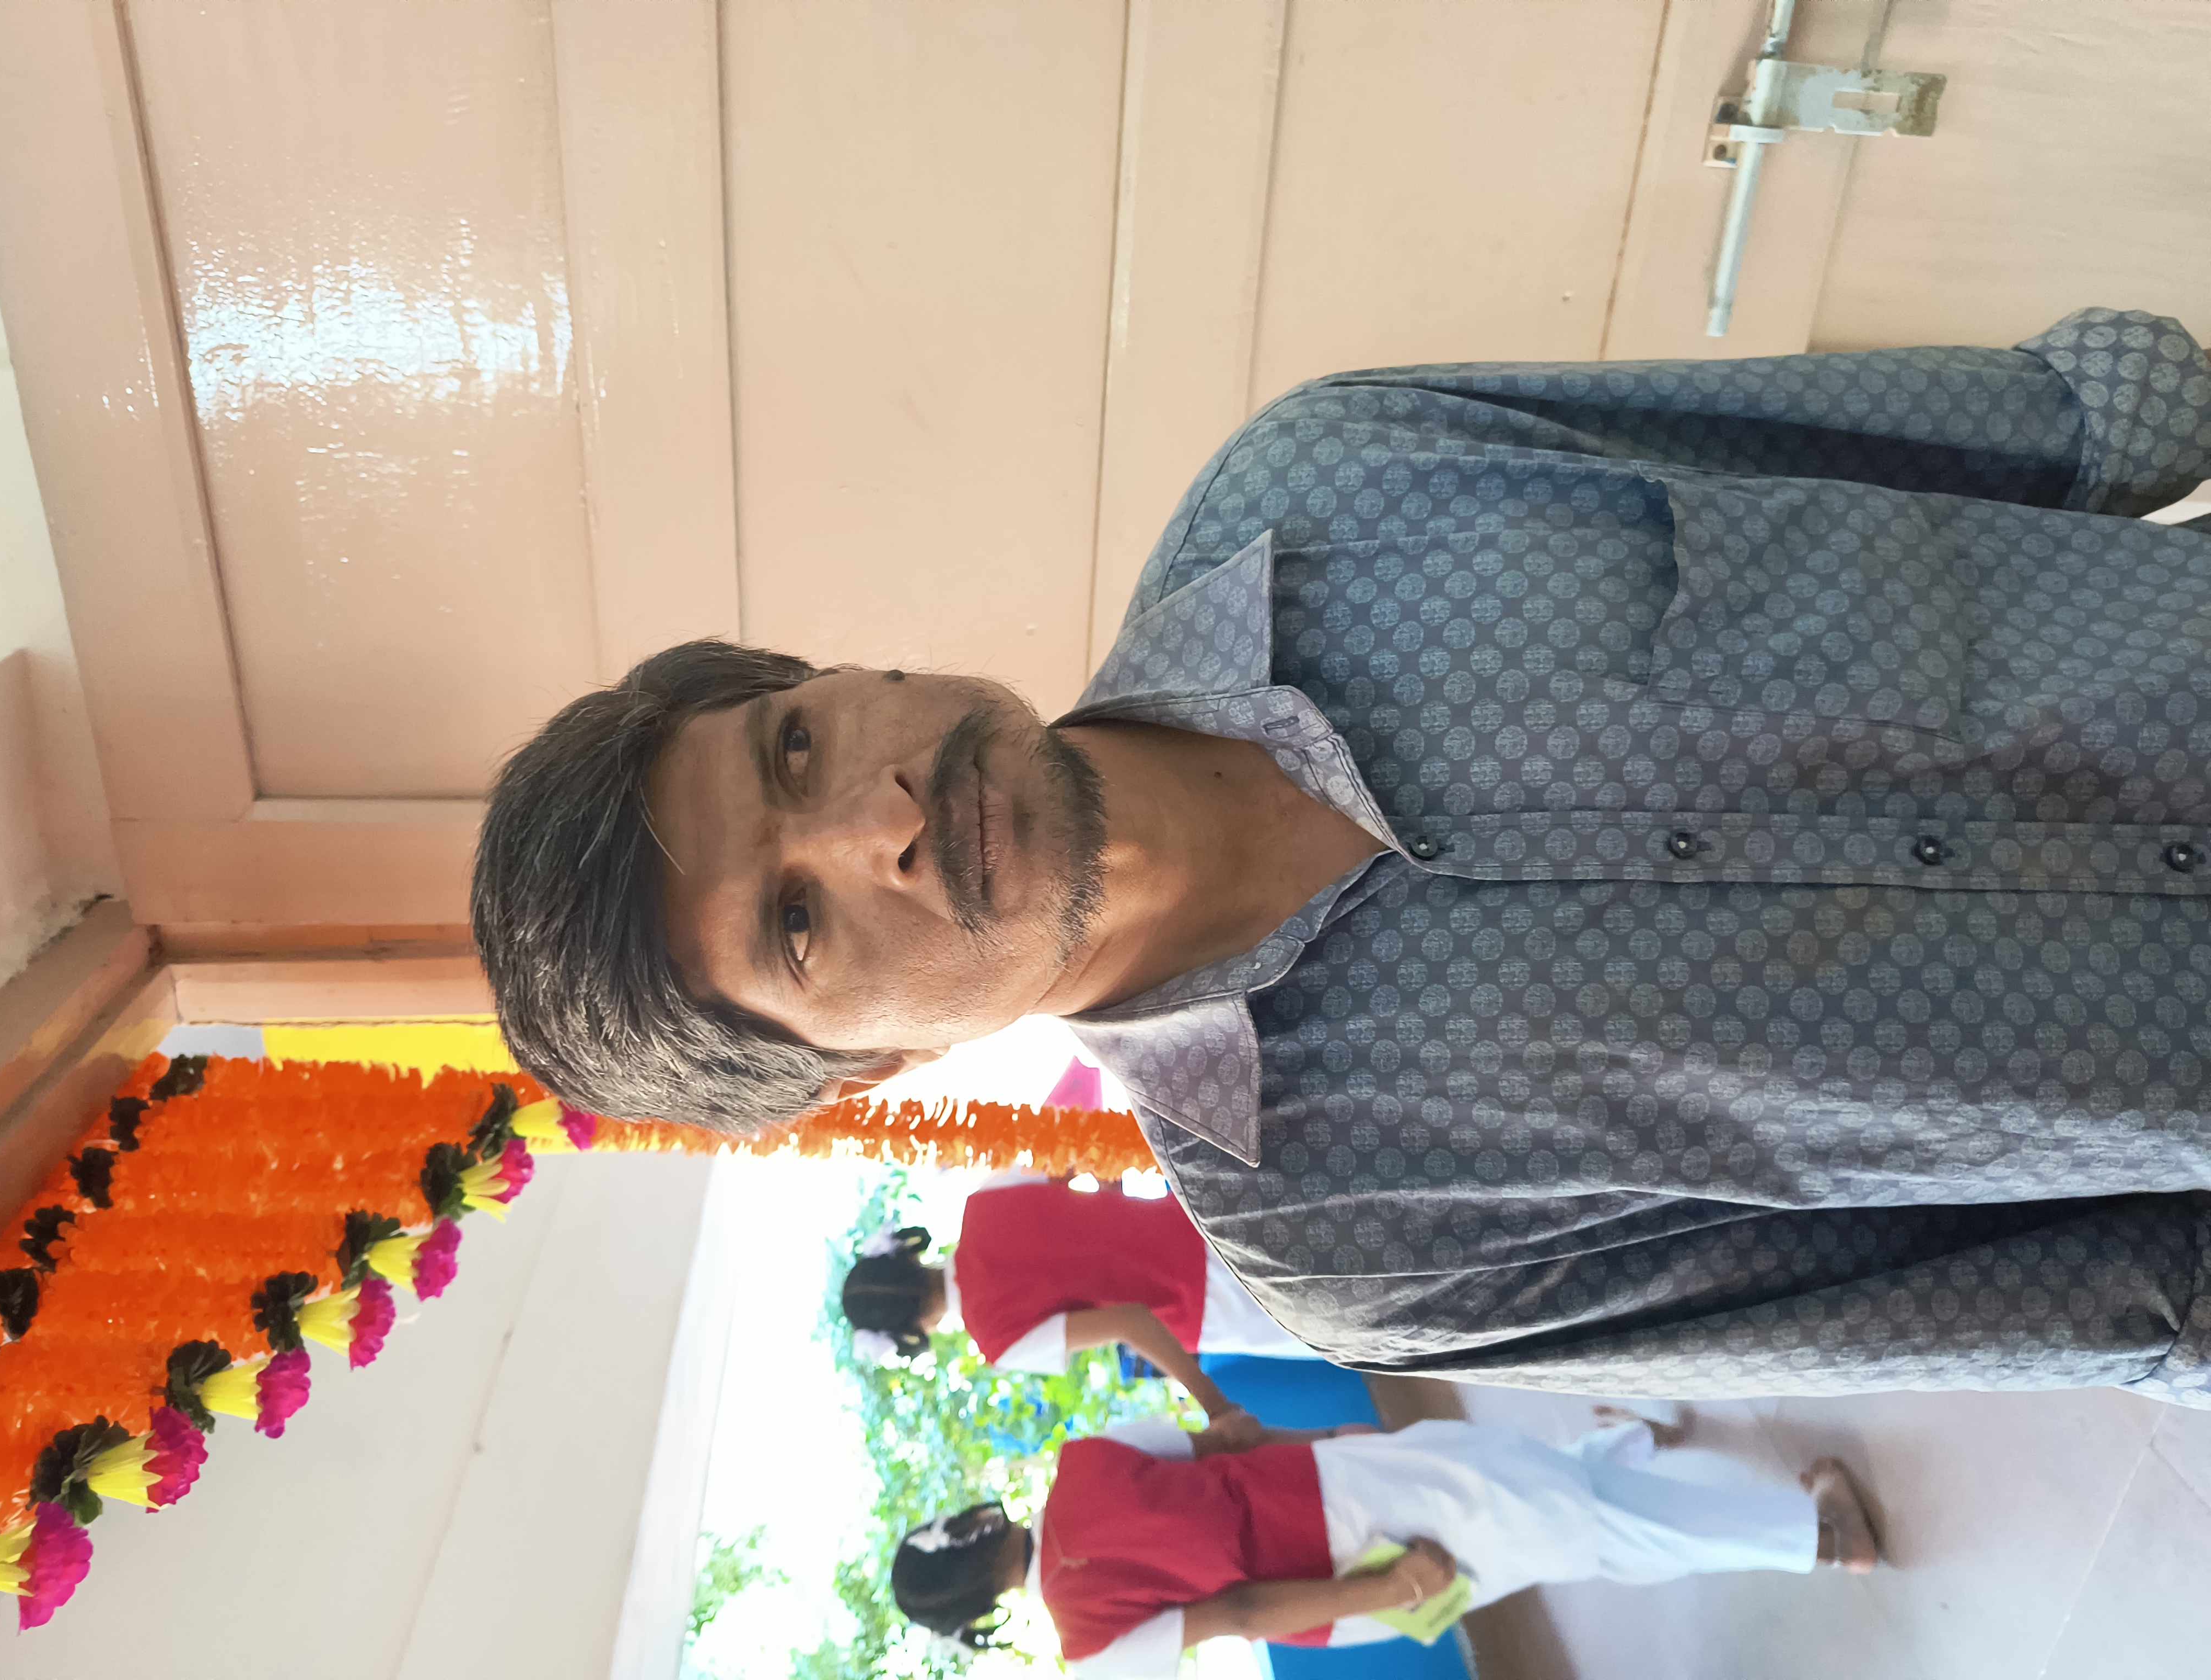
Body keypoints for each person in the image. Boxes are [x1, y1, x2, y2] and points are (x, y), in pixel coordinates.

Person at [472, 306, 2211, 1407]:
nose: (881, 822)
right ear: (870, 1066)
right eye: (798, 922)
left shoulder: (1335, 483)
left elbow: (2036, 428)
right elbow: (2082, 1300)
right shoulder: (1356, 1244)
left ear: (835, 674)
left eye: (796, 748)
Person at [888, 1408, 1877, 1677]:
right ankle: (1823, 1537)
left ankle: (1628, 1446)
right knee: (1556, 1519)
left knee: (1538, 1514)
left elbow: (1239, 1616)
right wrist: (1333, 1440)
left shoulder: (1088, 1647)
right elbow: (1233, 1442)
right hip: (1339, 1503)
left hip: (1339, 1595)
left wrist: (1385, 1593)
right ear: (965, 1530)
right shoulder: (1081, 1461)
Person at [839, 1173, 1319, 1421]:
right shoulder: (985, 1200)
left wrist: (1217, 1408)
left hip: (1218, 1307)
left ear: (909, 1332)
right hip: (1202, 1213)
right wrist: (1114, 1208)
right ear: (905, 1254)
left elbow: (1131, 1321)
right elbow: (1088, 1149)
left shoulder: (999, 1341)